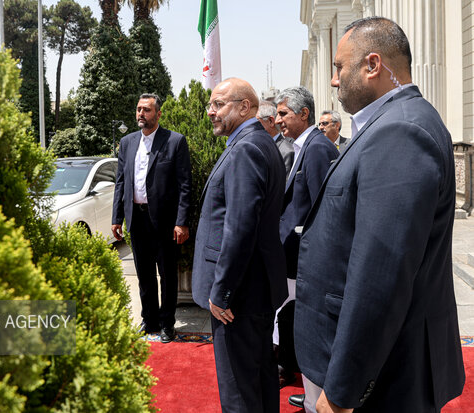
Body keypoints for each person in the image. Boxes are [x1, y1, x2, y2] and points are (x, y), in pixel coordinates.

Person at [294, 17, 465, 413]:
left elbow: (380, 275)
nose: (333, 81)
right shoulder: (395, 122)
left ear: (372, 65)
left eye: (339, 68)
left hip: (386, 376)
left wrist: (340, 392)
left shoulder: (399, 131)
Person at [192, 78, 287, 412]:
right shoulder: (256, 142)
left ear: (245, 106)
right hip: (253, 290)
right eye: (210, 105)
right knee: (257, 380)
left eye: (219, 104)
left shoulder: (247, 147)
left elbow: (240, 227)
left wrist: (222, 292)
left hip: (239, 296)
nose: (210, 112)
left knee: (239, 392)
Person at [273, 87, 339, 410]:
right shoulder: (302, 146)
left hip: (305, 262)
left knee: (311, 330)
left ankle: (316, 402)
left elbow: (322, 211)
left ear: (304, 115)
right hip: (292, 258)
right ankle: (310, 393)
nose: (277, 119)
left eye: (284, 114)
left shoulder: (315, 149)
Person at [112, 93, 192, 343]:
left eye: (146, 110)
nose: (140, 114)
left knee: (167, 275)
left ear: (158, 114)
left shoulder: (175, 142)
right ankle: (149, 320)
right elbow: (121, 182)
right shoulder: (126, 143)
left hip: (165, 222)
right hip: (136, 219)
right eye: (138, 109)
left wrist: (181, 221)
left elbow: (185, 185)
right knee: (144, 275)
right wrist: (117, 217)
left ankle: (167, 323)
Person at [257, 100, 295, 177]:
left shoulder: (286, 152)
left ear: (271, 121)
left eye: (256, 122)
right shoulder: (261, 149)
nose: (252, 127)